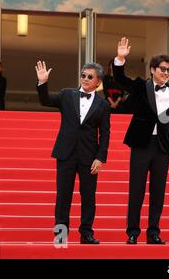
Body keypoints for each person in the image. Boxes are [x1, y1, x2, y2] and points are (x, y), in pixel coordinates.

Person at [113, 38, 169, 245]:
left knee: (158, 191)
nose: (166, 73)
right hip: (141, 144)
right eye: (162, 69)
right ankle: (133, 232)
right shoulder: (140, 86)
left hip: (161, 146)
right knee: (136, 189)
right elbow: (120, 78)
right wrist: (120, 58)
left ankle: (153, 232)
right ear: (152, 70)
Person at [35, 61, 110, 245]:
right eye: (83, 75)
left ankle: (86, 234)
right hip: (66, 153)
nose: (85, 79)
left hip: (89, 156)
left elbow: (105, 133)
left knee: (88, 197)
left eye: (90, 76)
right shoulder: (67, 95)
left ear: (98, 81)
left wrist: (100, 157)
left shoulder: (103, 104)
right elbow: (45, 100)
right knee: (63, 196)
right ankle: (61, 235)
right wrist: (42, 83)